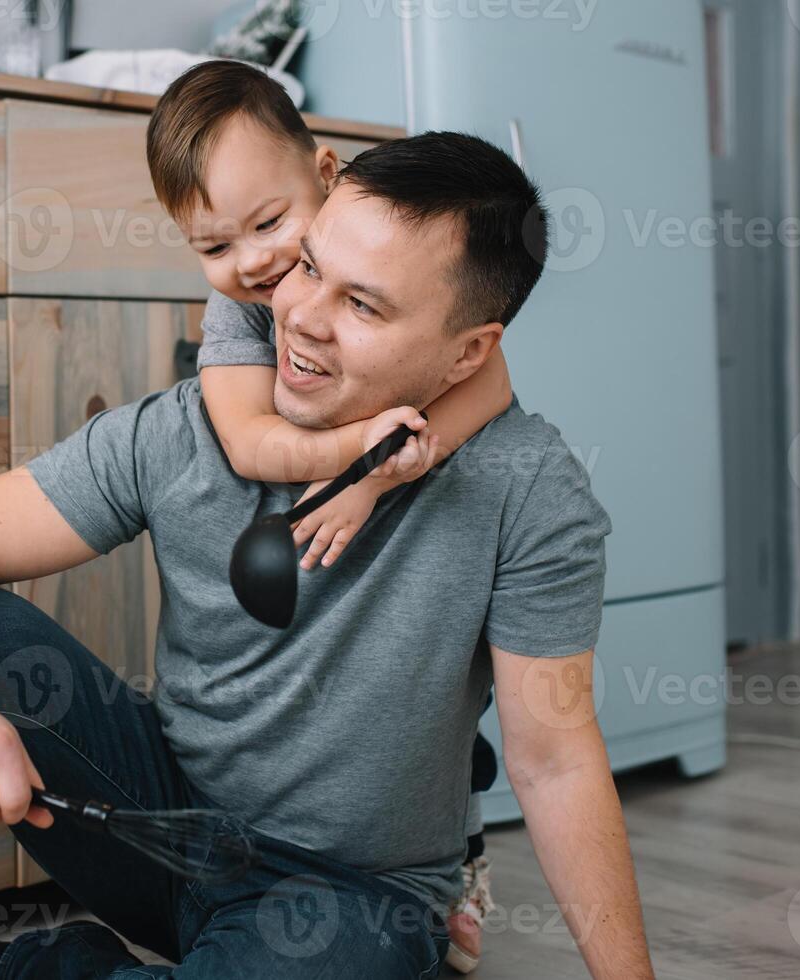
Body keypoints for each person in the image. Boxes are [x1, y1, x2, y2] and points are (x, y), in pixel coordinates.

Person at [0, 129, 654, 979]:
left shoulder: (528, 488)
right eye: (310, 266)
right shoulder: (185, 430)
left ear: (470, 355)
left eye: (363, 305)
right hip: (159, 829)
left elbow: (555, 761)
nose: (302, 317)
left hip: (350, 896)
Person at [146, 60, 512, 972]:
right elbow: (248, 443)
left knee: (429, 712)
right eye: (213, 247)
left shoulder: (394, 241)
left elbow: (491, 388)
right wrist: (354, 461)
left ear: (328, 175)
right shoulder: (237, 317)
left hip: (401, 549)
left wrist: (380, 481)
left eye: (272, 227)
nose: (256, 265)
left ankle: (454, 866)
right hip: (304, 563)